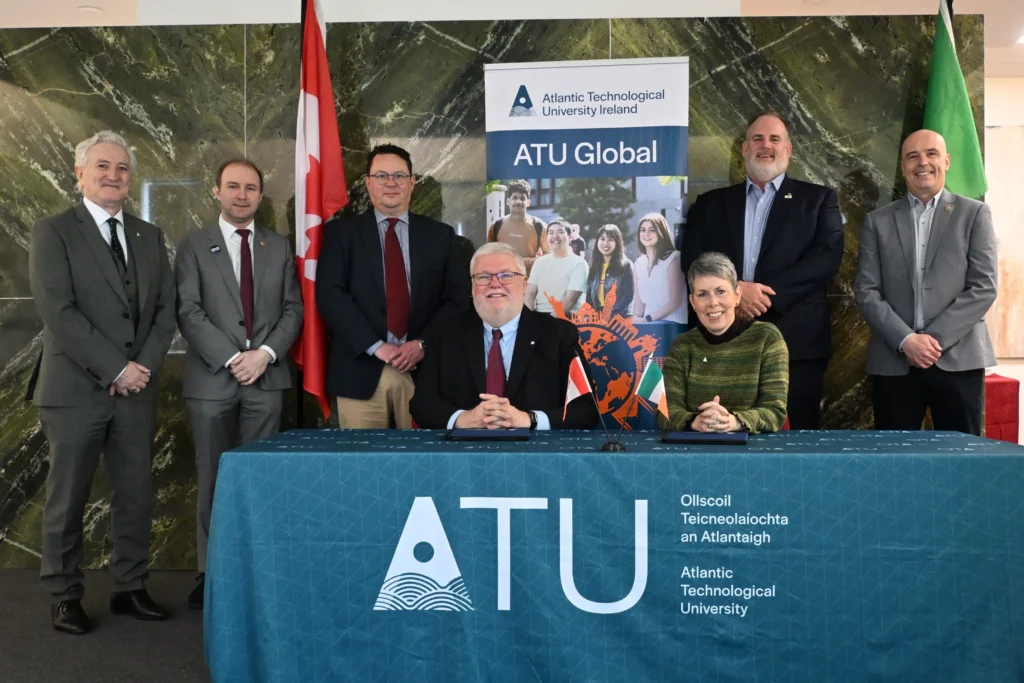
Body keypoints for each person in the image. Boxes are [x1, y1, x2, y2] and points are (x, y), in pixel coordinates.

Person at [27, 131, 177, 634]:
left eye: (122, 169)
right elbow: (59, 312)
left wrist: (141, 370)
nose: (113, 176)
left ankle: (129, 587)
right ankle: (64, 594)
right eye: (103, 167)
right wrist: (115, 369)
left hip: (137, 390)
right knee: (67, 498)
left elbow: (164, 312)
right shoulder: (53, 232)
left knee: (136, 493)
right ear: (80, 173)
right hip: (73, 392)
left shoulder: (148, 235)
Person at [175, 159, 303, 609]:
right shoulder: (193, 245)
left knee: (258, 481)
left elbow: (293, 310)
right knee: (213, 478)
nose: (241, 195)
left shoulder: (279, 246)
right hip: (213, 380)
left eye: (250, 188)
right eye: (233, 186)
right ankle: (210, 574)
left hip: (265, 380)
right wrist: (233, 358)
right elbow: (189, 311)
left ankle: (255, 571)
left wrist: (263, 355)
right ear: (216, 192)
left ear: (260, 195)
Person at [683, 111, 842, 429]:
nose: (765, 145)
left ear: (789, 149)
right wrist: (736, 293)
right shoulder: (710, 204)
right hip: (721, 344)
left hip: (795, 346)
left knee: (795, 446)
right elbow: (692, 259)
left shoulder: (818, 200)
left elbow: (826, 258)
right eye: (757, 138)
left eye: (774, 139)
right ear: (744, 149)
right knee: (721, 439)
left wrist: (765, 295)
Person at [316, 143, 471, 428]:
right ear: (368, 183)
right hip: (360, 370)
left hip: (424, 373)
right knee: (362, 467)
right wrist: (377, 347)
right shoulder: (341, 234)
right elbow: (330, 296)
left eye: (399, 176)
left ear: (412, 183)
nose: (391, 183)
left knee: (423, 466)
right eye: (381, 176)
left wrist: (422, 343)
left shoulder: (441, 236)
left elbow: (458, 300)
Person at [854, 129, 997, 435]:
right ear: (903, 166)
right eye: (912, 156)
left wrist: (932, 342)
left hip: (958, 360)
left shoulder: (974, 214)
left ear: (946, 161)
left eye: (931, 154)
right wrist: (907, 341)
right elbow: (866, 292)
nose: (923, 162)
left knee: (963, 463)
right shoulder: (877, 221)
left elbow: (984, 286)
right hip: (895, 363)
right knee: (894, 466)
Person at [410, 242, 600, 430]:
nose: (495, 284)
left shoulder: (559, 335)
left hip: (535, 455)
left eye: (506, 276)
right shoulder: (445, 333)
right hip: (463, 453)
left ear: (524, 284)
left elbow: (585, 410)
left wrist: (528, 420)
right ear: (472, 286)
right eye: (483, 277)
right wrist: (462, 419)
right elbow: (422, 403)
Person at [660, 252, 788, 434]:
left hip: (754, 455)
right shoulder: (682, 346)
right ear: (692, 302)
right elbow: (665, 413)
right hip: (694, 452)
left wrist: (733, 422)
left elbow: (774, 411)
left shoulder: (767, 338)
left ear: (737, 296)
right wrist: (696, 422)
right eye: (702, 294)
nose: (713, 302)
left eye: (720, 292)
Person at [525, 220, 588, 315]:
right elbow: (530, 294)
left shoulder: (579, 264)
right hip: (539, 317)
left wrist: (548, 325)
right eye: (551, 233)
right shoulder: (539, 262)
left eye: (560, 232)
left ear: (570, 236)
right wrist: (529, 319)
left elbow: (570, 300)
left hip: (567, 318)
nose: (555, 236)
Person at [632, 213, 686, 324]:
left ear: (661, 232)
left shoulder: (674, 258)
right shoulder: (638, 263)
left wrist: (647, 319)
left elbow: (676, 301)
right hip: (648, 324)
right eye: (642, 230)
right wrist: (635, 319)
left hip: (672, 322)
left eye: (652, 230)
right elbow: (639, 303)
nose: (646, 234)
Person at [486, 179, 548, 276]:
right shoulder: (497, 226)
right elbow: (490, 255)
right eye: (514, 197)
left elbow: (549, 256)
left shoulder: (539, 226)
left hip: (530, 283)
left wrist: (523, 262)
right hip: (503, 282)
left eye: (522, 198)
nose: (518, 201)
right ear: (508, 201)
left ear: (528, 202)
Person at [585, 224, 634, 317]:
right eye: (602, 239)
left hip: (620, 318)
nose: (605, 243)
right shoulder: (594, 267)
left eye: (610, 239)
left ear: (617, 243)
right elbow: (589, 298)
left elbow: (628, 297)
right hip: (598, 318)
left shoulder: (626, 266)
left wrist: (608, 316)